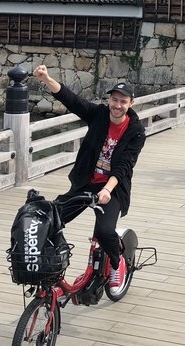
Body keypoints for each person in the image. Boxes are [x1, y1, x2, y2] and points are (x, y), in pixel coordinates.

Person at [32, 65, 146, 295]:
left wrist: (107, 190)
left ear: (130, 104)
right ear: (110, 100)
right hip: (85, 183)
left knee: (104, 232)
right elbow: (72, 101)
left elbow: (124, 166)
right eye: (114, 100)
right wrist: (46, 79)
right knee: (51, 219)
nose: (117, 105)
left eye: (123, 102)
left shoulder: (135, 132)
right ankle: (50, 268)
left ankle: (117, 263)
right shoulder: (99, 115)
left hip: (112, 189)